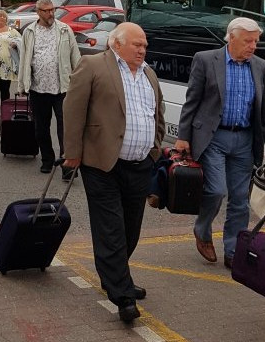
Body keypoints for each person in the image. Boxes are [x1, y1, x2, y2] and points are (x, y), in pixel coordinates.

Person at [62, 22, 164, 324]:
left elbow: (157, 114)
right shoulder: (93, 65)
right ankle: (123, 296)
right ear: (117, 43)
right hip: (101, 163)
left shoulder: (149, 73)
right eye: (137, 44)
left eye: (145, 45)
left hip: (140, 164)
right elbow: (73, 109)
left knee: (130, 230)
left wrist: (155, 149)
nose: (142, 49)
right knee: (111, 230)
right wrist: (73, 152)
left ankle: (115, 276)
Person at [175, 16, 265, 269]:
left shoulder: (260, 66)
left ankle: (233, 251)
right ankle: (203, 229)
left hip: (245, 138)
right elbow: (192, 101)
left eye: (255, 41)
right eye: (248, 41)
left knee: (240, 199)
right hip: (214, 136)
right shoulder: (206, 60)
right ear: (231, 39)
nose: (253, 46)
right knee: (216, 190)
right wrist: (183, 137)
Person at [18, 0, 81, 179]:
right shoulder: (29, 32)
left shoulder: (64, 29)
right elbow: (24, 60)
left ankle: (67, 166)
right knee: (41, 128)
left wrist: (80, 83)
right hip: (38, 89)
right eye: (46, 10)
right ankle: (47, 159)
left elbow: (75, 58)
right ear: (38, 12)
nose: (51, 13)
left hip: (63, 89)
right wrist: (22, 85)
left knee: (66, 129)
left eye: (52, 9)